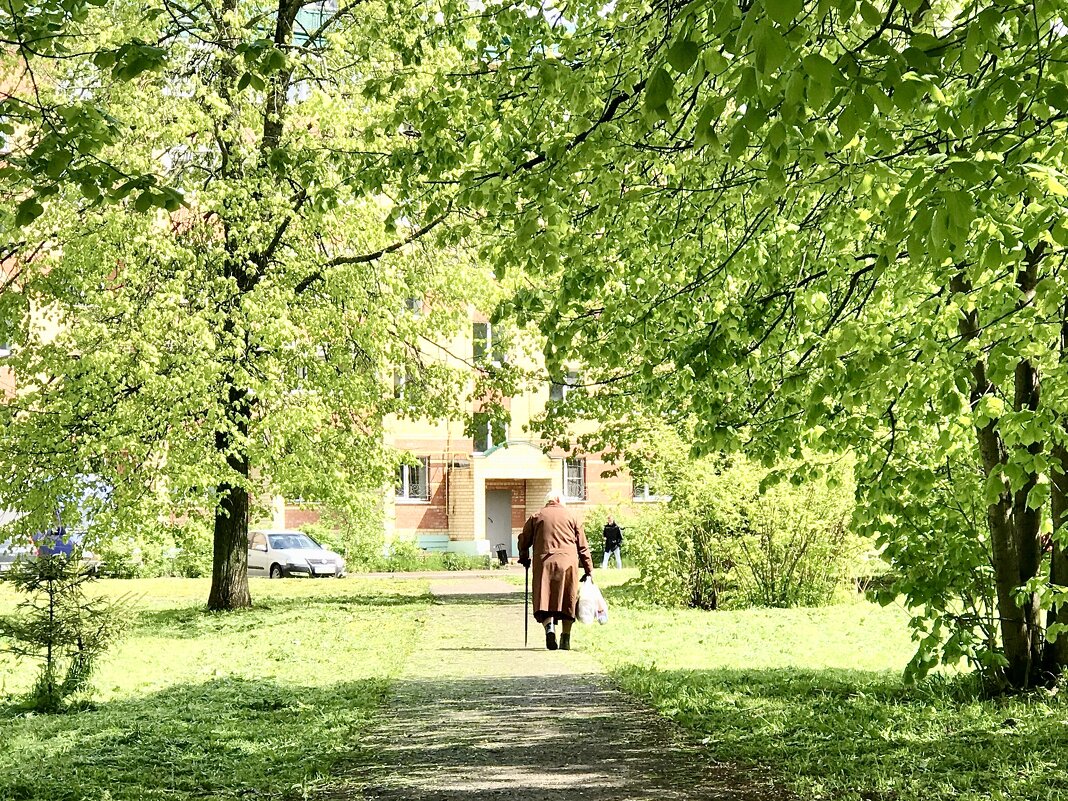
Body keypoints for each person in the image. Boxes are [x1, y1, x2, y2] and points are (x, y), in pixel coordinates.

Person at [518, 490, 594, 651]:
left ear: (548, 501)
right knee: (568, 598)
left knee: (544, 597)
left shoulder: (536, 516)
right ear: (560, 500)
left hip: (544, 563)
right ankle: (565, 638)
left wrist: (524, 558)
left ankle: (549, 628)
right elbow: (583, 546)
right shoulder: (573, 517)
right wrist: (589, 569)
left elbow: (523, 541)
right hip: (568, 563)